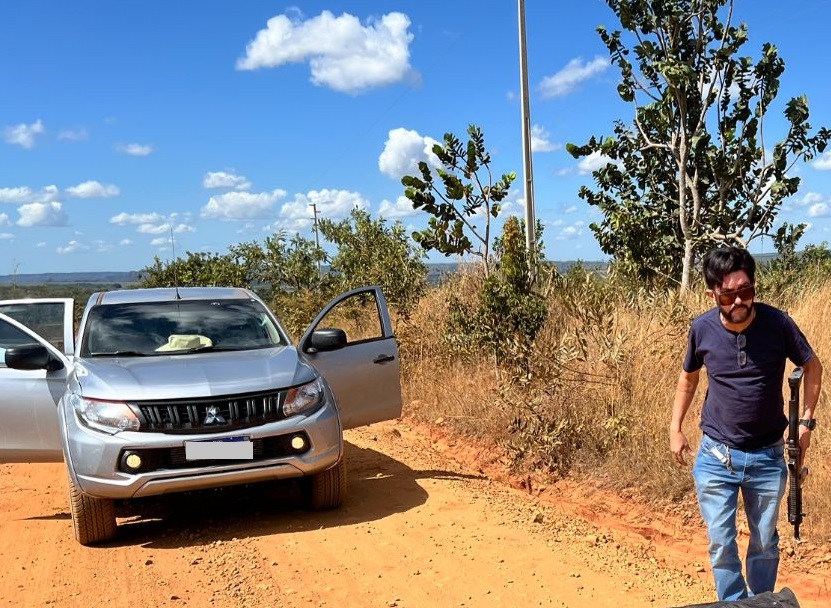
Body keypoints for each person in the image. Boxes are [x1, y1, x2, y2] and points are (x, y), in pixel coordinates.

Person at [669, 246, 822, 601]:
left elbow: (813, 367)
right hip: (716, 456)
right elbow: (688, 379)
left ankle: (762, 602)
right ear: (712, 294)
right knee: (722, 542)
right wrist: (675, 427)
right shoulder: (702, 329)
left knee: (765, 541)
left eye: (746, 291)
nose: (739, 301)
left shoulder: (777, 323)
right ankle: (734, 604)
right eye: (729, 294)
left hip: (767, 457)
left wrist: (806, 422)